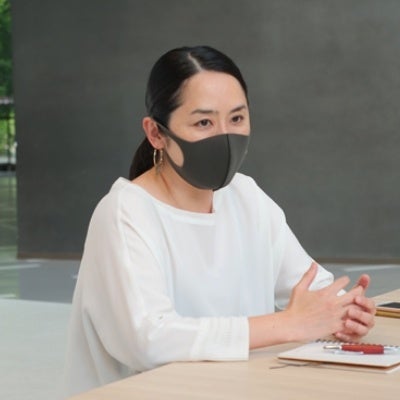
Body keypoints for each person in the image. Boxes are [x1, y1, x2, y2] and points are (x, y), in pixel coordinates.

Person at [64, 45, 376, 396]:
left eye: (237, 119)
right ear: (156, 133)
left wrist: (344, 312)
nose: (225, 136)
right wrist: (286, 325)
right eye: (204, 122)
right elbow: (149, 340)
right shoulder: (125, 213)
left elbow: (310, 285)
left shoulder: (246, 195)